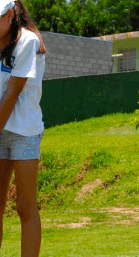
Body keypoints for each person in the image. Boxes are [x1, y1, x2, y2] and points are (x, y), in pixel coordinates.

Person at [0, 1, 45, 255]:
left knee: (25, 206)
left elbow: (12, 93)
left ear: (9, 15)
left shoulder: (28, 41)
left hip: (23, 131)